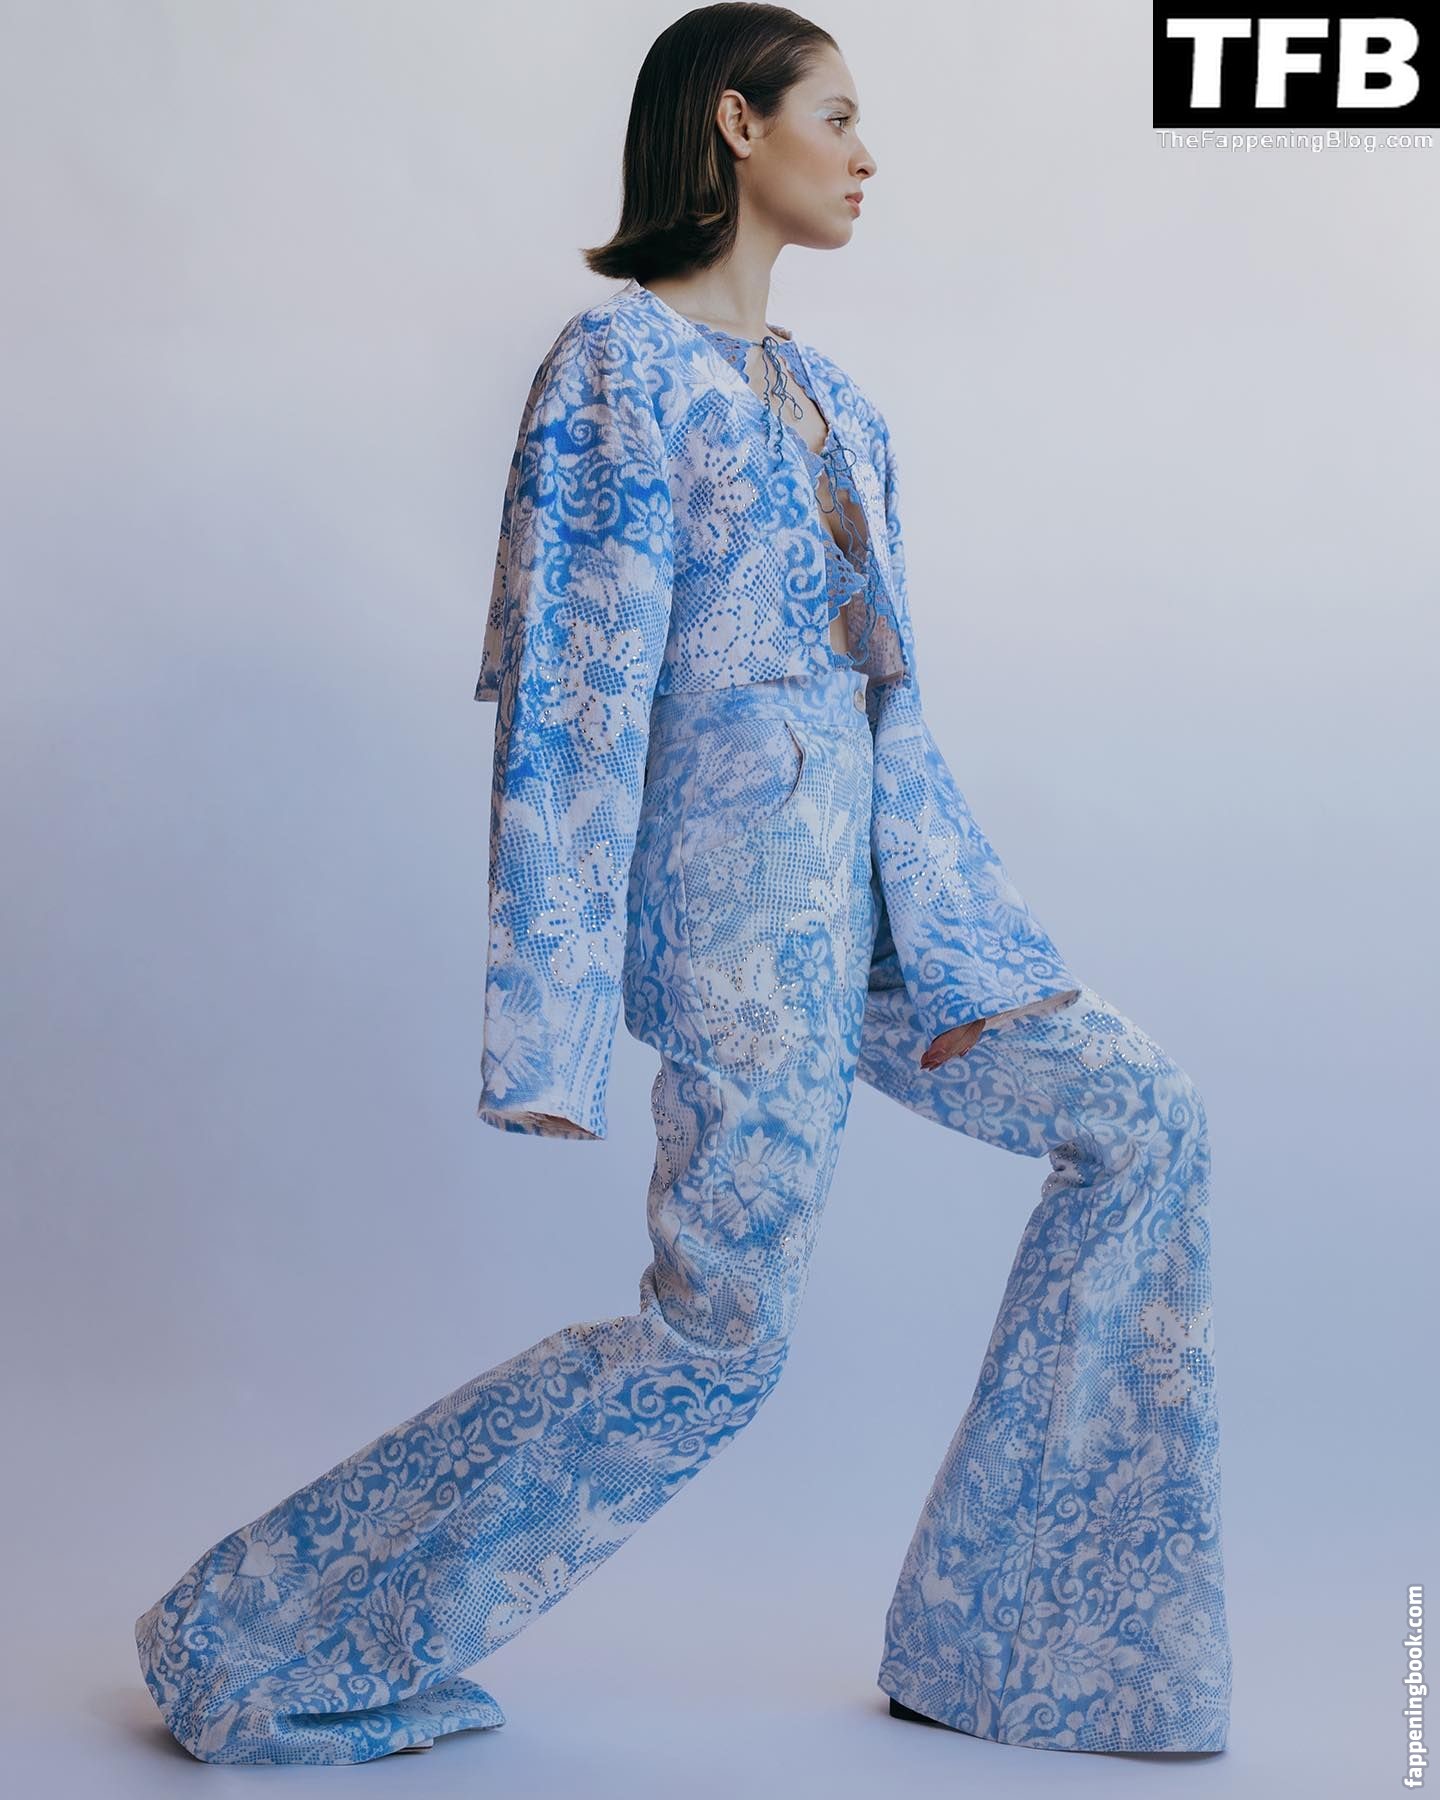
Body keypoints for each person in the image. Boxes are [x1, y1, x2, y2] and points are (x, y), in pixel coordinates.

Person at [133, 3, 1232, 1763]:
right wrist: (551, 1029)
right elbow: (572, 708)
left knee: (1146, 1121)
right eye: (837, 116)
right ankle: (253, 1640)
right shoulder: (615, 370)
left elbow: (893, 704)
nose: (867, 157)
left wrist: (972, 947)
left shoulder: (842, 405)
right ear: (735, 123)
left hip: (905, 918)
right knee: (720, 1342)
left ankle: (1024, 1647)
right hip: (736, 933)